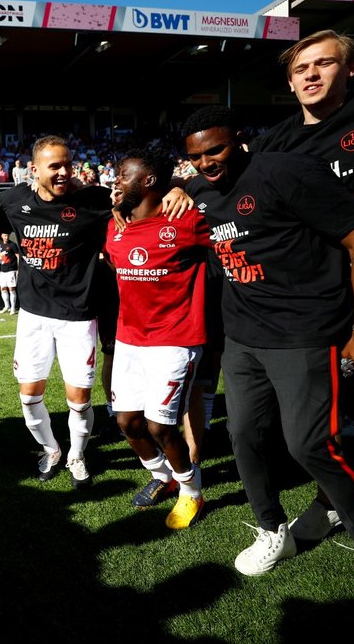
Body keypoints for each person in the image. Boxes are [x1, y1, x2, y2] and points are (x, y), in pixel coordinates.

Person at [183, 105, 354, 623]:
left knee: (310, 444)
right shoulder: (197, 191)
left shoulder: (283, 171)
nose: (207, 163)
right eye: (196, 157)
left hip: (305, 333)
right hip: (243, 338)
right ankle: (271, 529)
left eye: (215, 150)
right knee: (242, 436)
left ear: (237, 140)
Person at [250, 30, 354, 549]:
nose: (310, 75)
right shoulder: (274, 143)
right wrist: (180, 185)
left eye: (324, 64)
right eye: (301, 69)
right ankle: (330, 503)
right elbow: (227, 181)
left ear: (350, 71)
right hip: (310, 298)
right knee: (324, 418)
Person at [0, 136, 113, 486]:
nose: (63, 173)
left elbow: (141, 194)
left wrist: (175, 190)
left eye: (67, 164)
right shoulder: (14, 200)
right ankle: (52, 449)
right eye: (54, 166)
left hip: (78, 317)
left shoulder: (93, 200)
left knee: (79, 400)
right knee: (29, 398)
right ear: (34, 170)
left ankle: (76, 454)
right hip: (33, 317)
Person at [104, 149, 209, 529]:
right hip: (129, 339)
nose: (116, 181)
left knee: (160, 426)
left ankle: (191, 489)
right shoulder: (115, 223)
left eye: (123, 175)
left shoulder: (186, 219)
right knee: (127, 422)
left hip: (175, 340)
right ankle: (162, 476)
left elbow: (220, 189)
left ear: (149, 181)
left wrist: (184, 186)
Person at [0, 233, 18, 313]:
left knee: (11, 289)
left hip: (11, 270)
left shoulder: (13, 245)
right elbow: (2, 256)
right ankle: (6, 306)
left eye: (7, 235)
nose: (6, 237)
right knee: (3, 288)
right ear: (2, 236)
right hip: (2, 270)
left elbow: (18, 256)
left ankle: (13, 308)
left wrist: (19, 269)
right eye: (5, 236)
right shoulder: (1, 245)